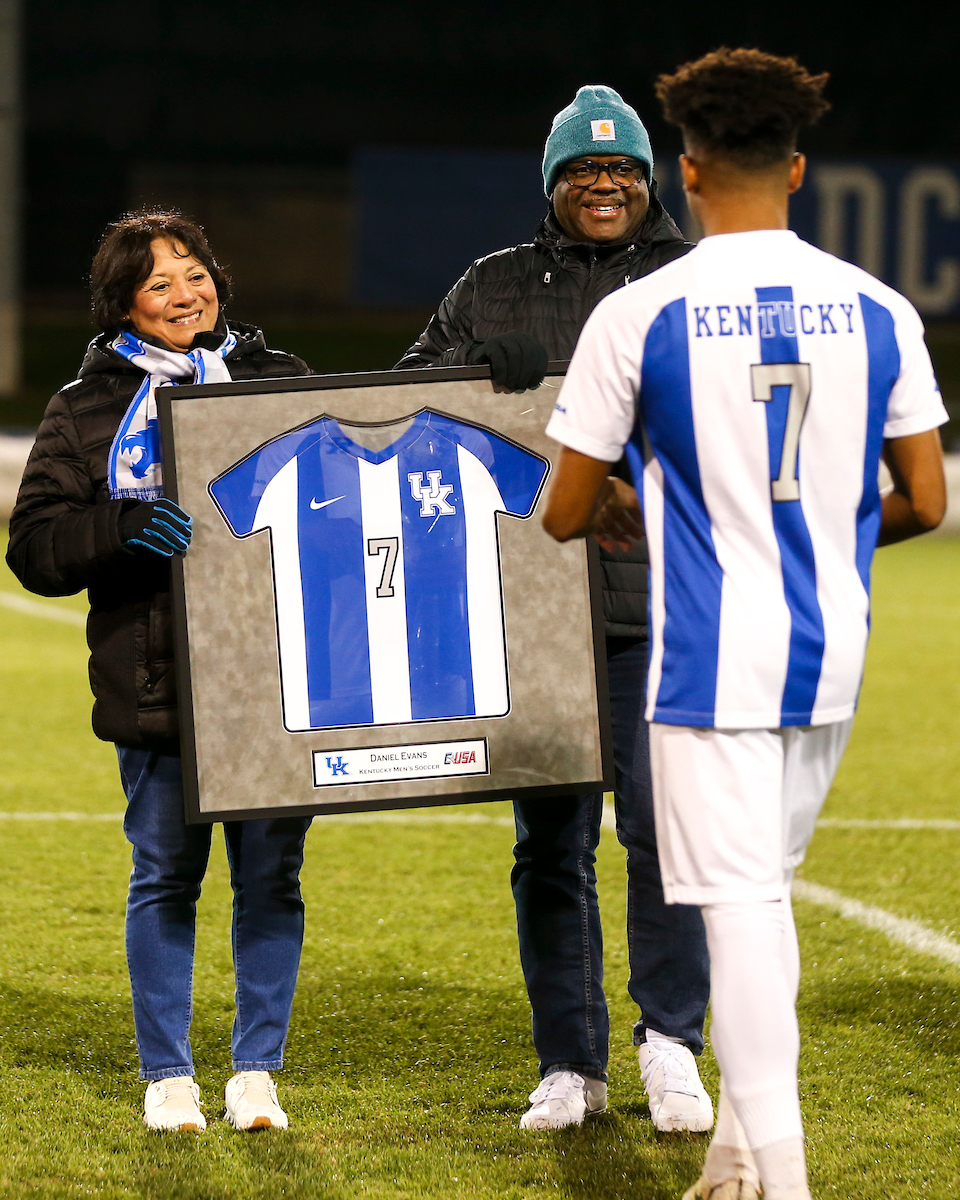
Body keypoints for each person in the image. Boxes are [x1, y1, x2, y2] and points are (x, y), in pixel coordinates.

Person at [541, 49, 946, 1200]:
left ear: (689, 168)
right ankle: (729, 1164)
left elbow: (567, 506)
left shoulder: (641, 311)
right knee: (758, 899)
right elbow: (923, 498)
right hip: (831, 652)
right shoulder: (880, 310)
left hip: (709, 659)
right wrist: (813, 531)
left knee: (742, 908)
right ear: (800, 167)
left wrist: (629, 496)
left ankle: (785, 1175)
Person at [398, 86, 713, 1132]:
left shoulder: (693, 281)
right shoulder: (490, 288)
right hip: (528, 609)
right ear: (552, 183)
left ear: (651, 180)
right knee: (551, 847)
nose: (604, 183)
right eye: (583, 168)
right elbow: (405, 406)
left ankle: (671, 1043)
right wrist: (483, 381)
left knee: (663, 839)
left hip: (657, 609)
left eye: (623, 167)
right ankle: (570, 1062)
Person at [6, 211, 315, 1134]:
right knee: (164, 881)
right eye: (159, 283)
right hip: (158, 685)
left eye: (196, 273)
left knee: (273, 882)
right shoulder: (85, 407)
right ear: (123, 306)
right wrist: (123, 528)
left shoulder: (279, 381)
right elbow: (33, 550)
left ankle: (257, 1072)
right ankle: (168, 1075)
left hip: (275, 681)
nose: (187, 294)